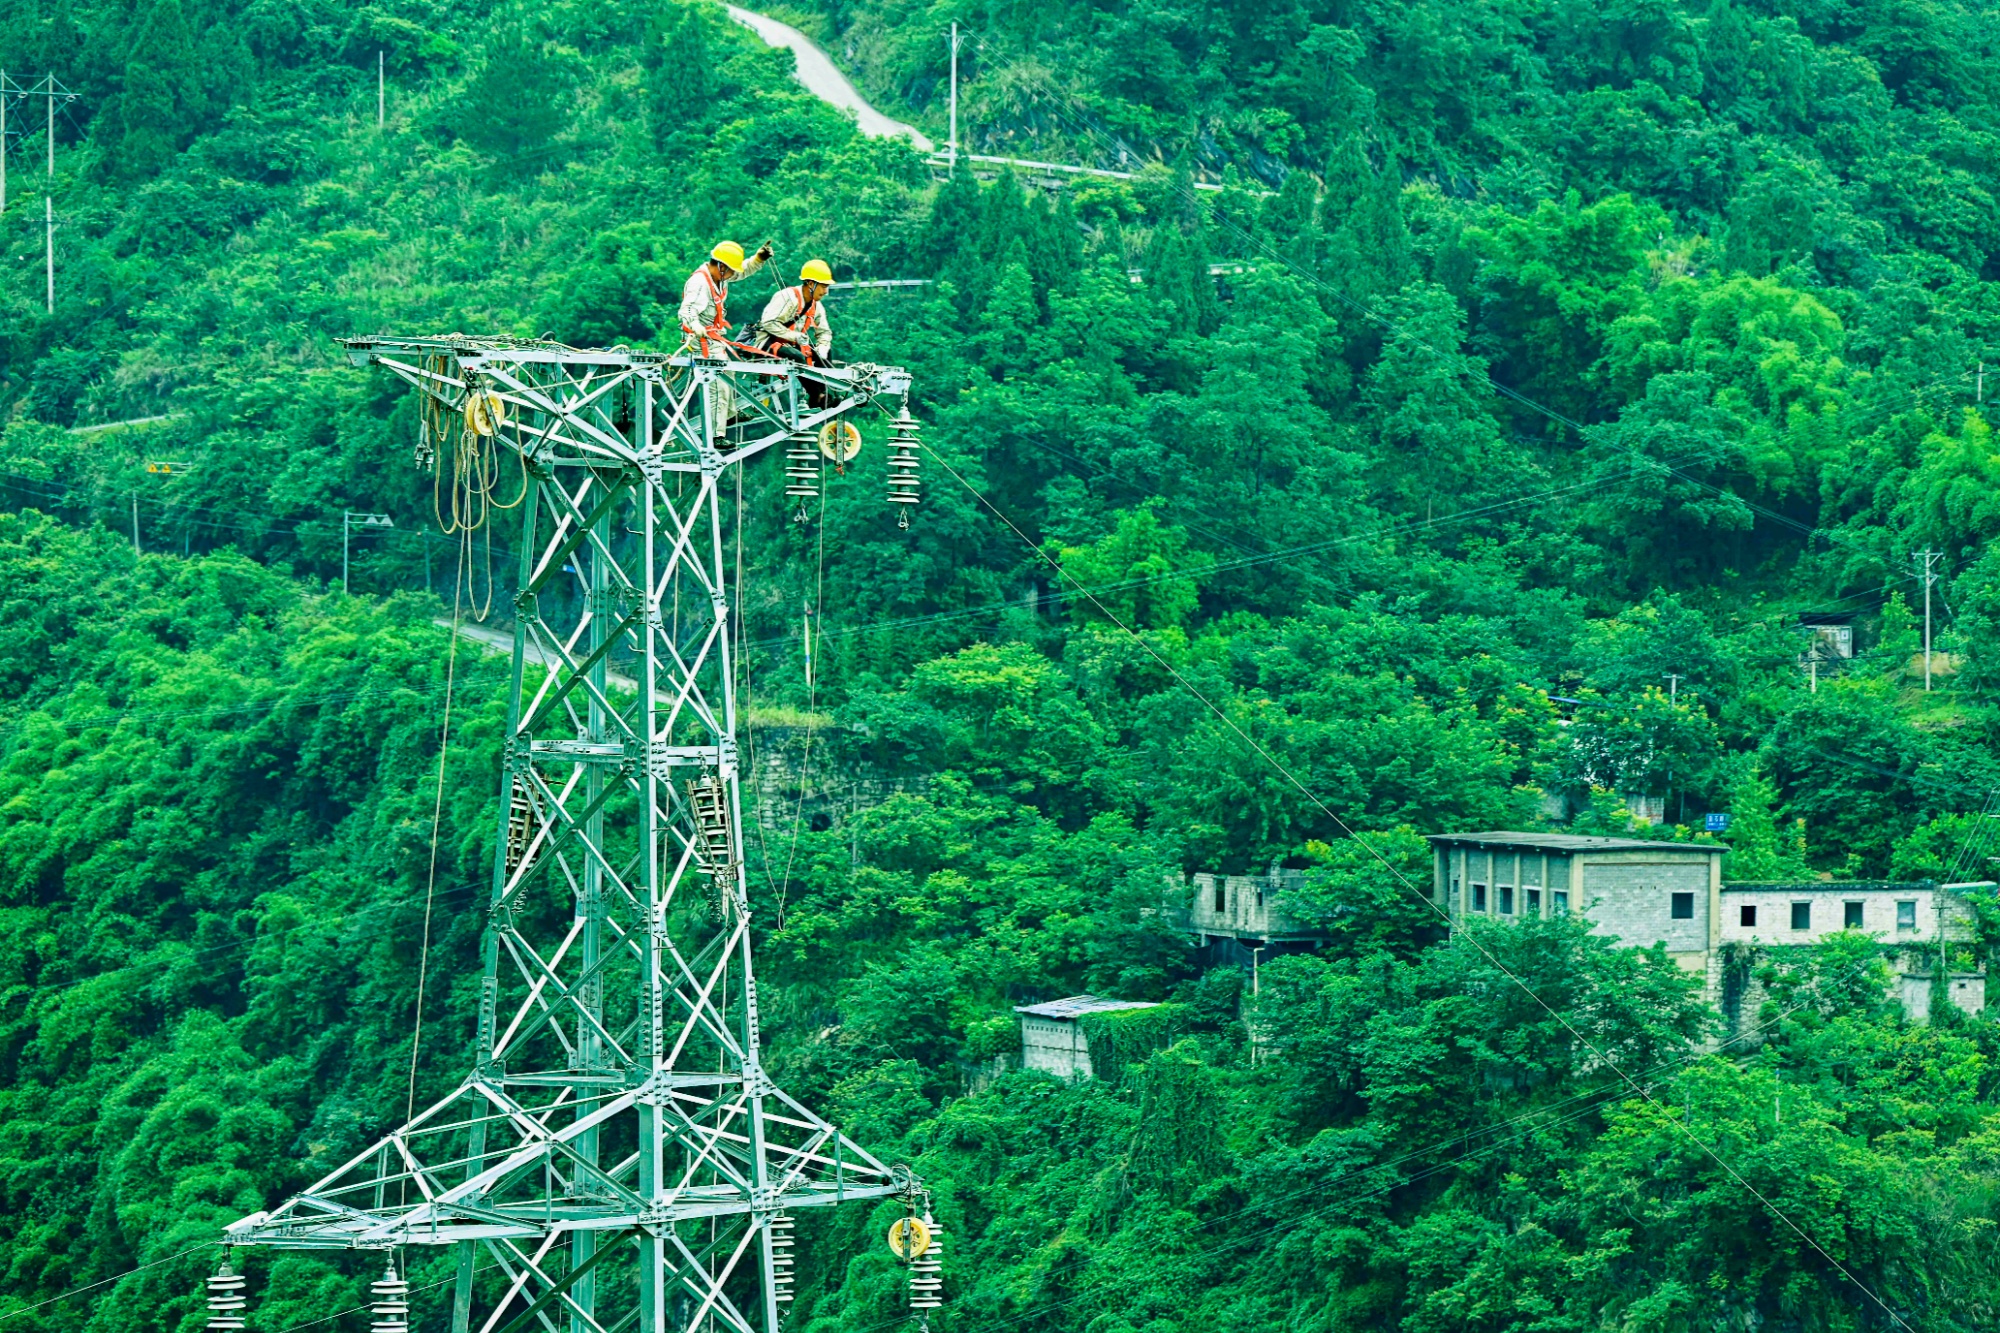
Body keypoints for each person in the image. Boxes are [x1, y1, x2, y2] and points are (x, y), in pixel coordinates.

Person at [753, 259, 836, 408]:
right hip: (768, 342)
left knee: (826, 352)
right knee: (796, 356)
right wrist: (794, 336)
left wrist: (822, 350)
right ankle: (817, 394)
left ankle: (823, 392)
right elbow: (768, 322)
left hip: (793, 343)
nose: (825, 291)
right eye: (823, 286)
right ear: (811, 284)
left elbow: (824, 332)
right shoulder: (787, 297)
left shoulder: (816, 306)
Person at [678, 239, 772, 356]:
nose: (733, 274)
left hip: (713, 339)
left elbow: (741, 271)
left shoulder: (719, 276)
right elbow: (687, 310)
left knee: (727, 369)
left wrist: (758, 260)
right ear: (722, 267)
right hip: (700, 341)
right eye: (732, 270)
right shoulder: (700, 282)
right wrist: (695, 325)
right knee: (722, 371)